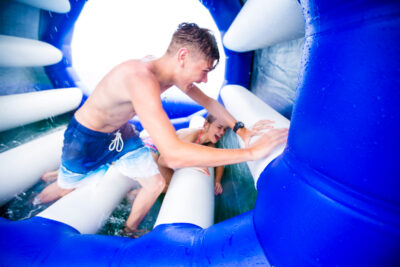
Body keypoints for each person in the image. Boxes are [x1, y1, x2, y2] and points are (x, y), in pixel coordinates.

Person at [35, 22, 288, 237]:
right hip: (85, 137)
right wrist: (251, 153)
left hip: (121, 134)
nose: (204, 80)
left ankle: (129, 229)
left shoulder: (169, 73)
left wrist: (241, 129)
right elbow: (174, 154)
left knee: (155, 183)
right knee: (66, 187)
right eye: (204, 71)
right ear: (183, 57)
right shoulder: (140, 78)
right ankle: (33, 204)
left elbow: (209, 102)